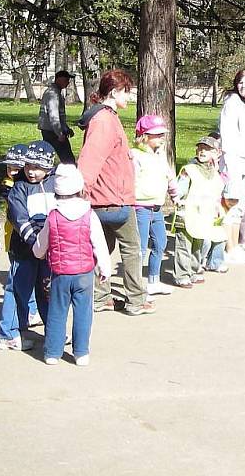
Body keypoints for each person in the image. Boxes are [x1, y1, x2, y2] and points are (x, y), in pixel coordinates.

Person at [78, 69, 154, 315]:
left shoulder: (106, 116)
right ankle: (136, 300)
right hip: (112, 199)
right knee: (132, 248)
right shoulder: (103, 120)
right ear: (113, 92)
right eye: (126, 92)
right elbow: (90, 159)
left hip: (106, 198)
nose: (129, 98)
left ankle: (101, 297)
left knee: (104, 248)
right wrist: (79, 193)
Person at [33, 164, 111, 366]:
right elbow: (99, 243)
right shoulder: (89, 214)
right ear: (80, 189)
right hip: (84, 272)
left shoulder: (53, 216)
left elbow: (41, 245)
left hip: (60, 273)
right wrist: (105, 267)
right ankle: (81, 352)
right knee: (83, 312)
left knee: (57, 312)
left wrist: (38, 253)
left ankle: (52, 352)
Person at [0, 141, 56, 350]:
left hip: (50, 250)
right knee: (18, 289)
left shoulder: (56, 184)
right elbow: (19, 217)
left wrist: (51, 244)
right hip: (24, 248)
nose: (32, 172)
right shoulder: (20, 188)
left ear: (49, 167)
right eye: (29, 166)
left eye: (38, 167)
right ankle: (9, 334)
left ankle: (54, 331)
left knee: (48, 291)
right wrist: (36, 244)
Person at [132, 114, 178, 296]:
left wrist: (175, 195)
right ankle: (135, 284)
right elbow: (130, 180)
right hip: (140, 208)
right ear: (144, 136)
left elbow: (169, 176)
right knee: (140, 248)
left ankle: (153, 280)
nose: (160, 138)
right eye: (156, 135)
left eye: (161, 134)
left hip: (157, 207)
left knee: (161, 242)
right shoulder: (135, 156)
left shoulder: (160, 156)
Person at [173, 136, 227, 288]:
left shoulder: (214, 173)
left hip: (203, 216)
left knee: (198, 243)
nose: (202, 151)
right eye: (200, 148)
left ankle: (194, 270)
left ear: (216, 153)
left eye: (207, 149)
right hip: (187, 214)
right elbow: (180, 190)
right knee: (184, 245)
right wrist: (177, 199)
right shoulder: (189, 170)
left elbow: (216, 192)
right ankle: (182, 275)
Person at [218, 70, 245, 264]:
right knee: (231, 205)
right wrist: (231, 162)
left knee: (241, 206)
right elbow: (227, 135)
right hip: (233, 161)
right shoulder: (232, 103)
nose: (243, 86)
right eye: (240, 82)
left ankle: (235, 246)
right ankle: (228, 248)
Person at [38, 70, 76, 164]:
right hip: (52, 132)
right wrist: (60, 133)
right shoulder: (53, 93)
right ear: (59, 79)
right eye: (66, 79)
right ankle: (69, 175)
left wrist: (66, 128)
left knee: (48, 156)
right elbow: (53, 115)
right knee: (68, 160)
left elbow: (60, 115)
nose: (68, 82)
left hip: (53, 131)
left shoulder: (57, 92)